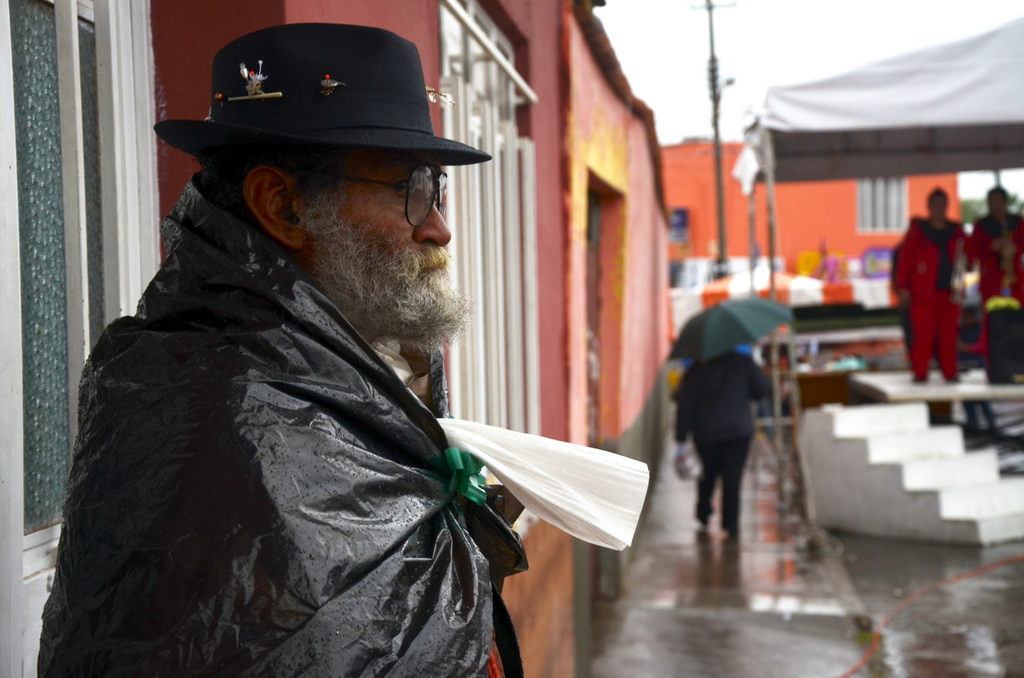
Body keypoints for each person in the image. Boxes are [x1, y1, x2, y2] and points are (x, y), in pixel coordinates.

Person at [38, 24, 527, 677]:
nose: (438, 226)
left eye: (437, 188)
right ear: (283, 205)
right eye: (410, 188)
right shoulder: (213, 406)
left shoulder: (364, 356)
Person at [673, 350, 770, 540]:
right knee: (733, 478)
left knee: (707, 475)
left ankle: (703, 513)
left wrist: (681, 437)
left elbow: (685, 404)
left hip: (706, 432)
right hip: (738, 432)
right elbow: (761, 391)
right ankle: (731, 525)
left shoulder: (696, 370)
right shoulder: (743, 363)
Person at [894, 188, 969, 383]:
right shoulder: (918, 231)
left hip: (950, 293)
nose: (938, 208)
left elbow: (965, 259)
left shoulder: (957, 231)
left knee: (949, 336)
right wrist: (903, 287)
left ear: (946, 206)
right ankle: (920, 373)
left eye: (942, 204)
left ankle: (950, 372)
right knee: (922, 336)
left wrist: (960, 288)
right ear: (929, 207)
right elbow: (906, 261)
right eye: (935, 204)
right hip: (923, 294)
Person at [971, 185, 1024, 308]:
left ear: (1004, 201)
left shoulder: (1017, 222)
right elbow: (973, 249)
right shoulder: (981, 225)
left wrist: (1013, 248)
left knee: (1016, 315)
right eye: (991, 201)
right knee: (991, 315)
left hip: (1014, 276)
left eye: (997, 200)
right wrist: (992, 246)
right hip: (991, 278)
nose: (994, 204)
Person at [958, 305, 997, 431]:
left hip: (977, 367)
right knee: (967, 399)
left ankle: (991, 423)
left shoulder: (980, 329)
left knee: (982, 398)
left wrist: (967, 348)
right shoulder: (961, 330)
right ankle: (972, 424)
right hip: (963, 367)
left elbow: (982, 347)